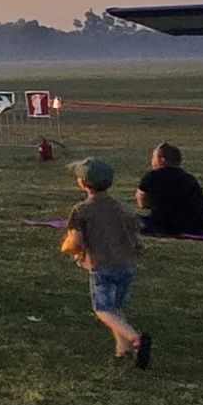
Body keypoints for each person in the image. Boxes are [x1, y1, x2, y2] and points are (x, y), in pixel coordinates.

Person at [60, 157, 148, 368]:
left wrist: (71, 251)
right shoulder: (122, 208)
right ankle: (121, 350)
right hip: (126, 265)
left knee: (103, 309)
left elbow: (75, 241)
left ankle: (135, 339)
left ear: (82, 183)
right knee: (116, 308)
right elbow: (134, 233)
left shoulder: (81, 210)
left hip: (101, 266)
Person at [134, 144, 203, 236]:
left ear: (162, 159)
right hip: (194, 227)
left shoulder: (152, 176)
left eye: (154, 157)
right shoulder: (190, 179)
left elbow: (141, 203)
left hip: (164, 226)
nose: (152, 161)